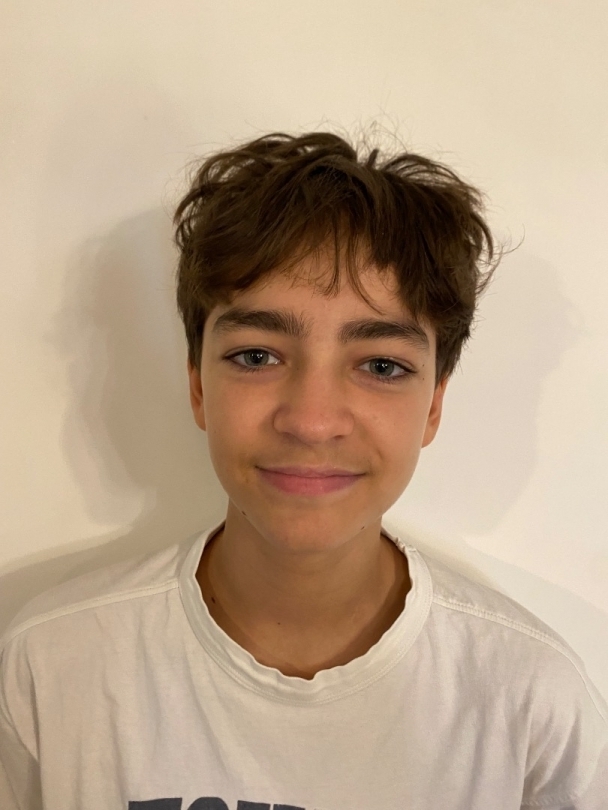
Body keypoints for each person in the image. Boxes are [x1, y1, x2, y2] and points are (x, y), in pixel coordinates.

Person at [1, 131, 606, 810]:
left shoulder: (532, 701)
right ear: (197, 384)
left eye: (382, 366)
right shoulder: (51, 668)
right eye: (257, 356)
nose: (313, 421)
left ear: (434, 405)